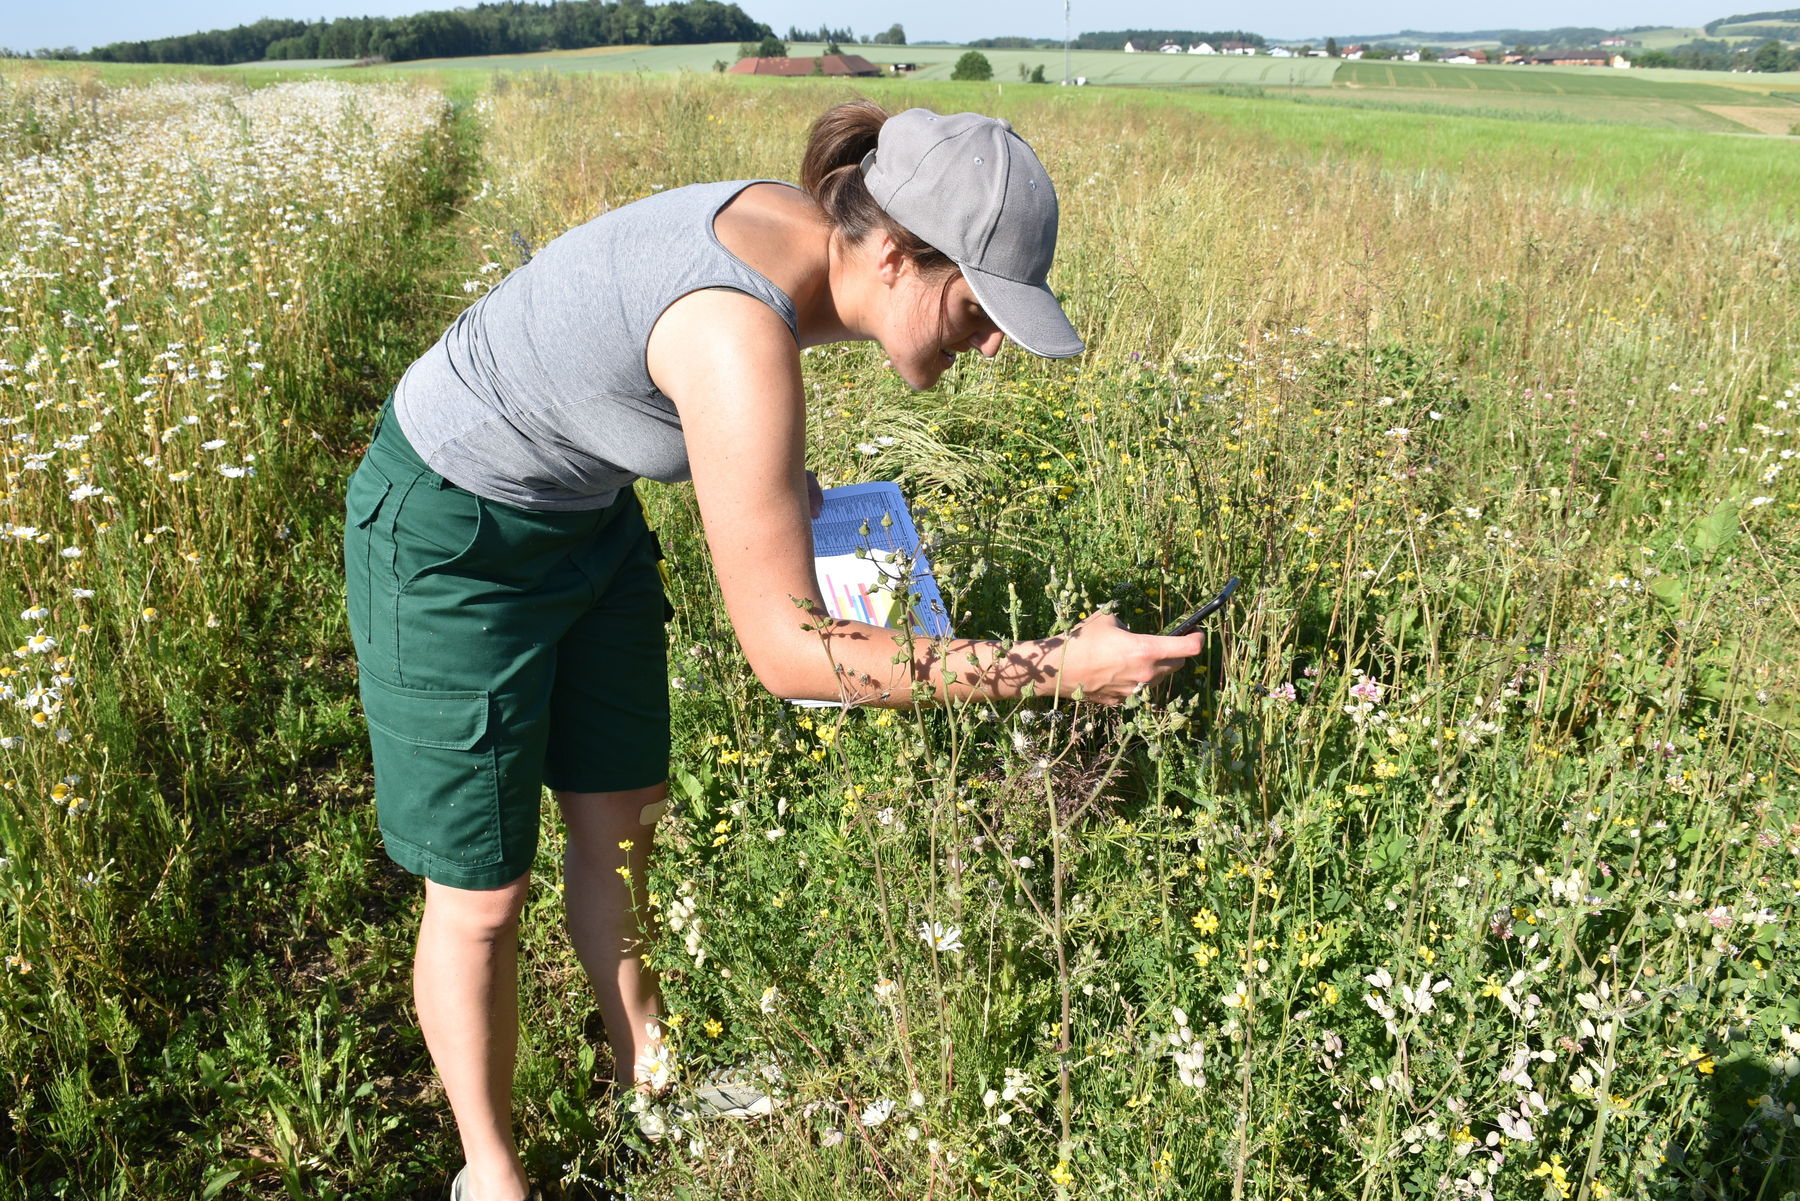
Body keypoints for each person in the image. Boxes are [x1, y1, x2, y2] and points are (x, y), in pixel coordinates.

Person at [343, 99, 1206, 1201]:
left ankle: (649, 1079)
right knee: (481, 895)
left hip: (586, 514)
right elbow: (794, 657)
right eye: (980, 305)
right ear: (894, 253)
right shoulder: (739, 332)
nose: (992, 341)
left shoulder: (804, 240)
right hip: (450, 529)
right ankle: (491, 1171)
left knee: (622, 819)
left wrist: (784, 495)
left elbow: (677, 392)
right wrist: (1058, 667)